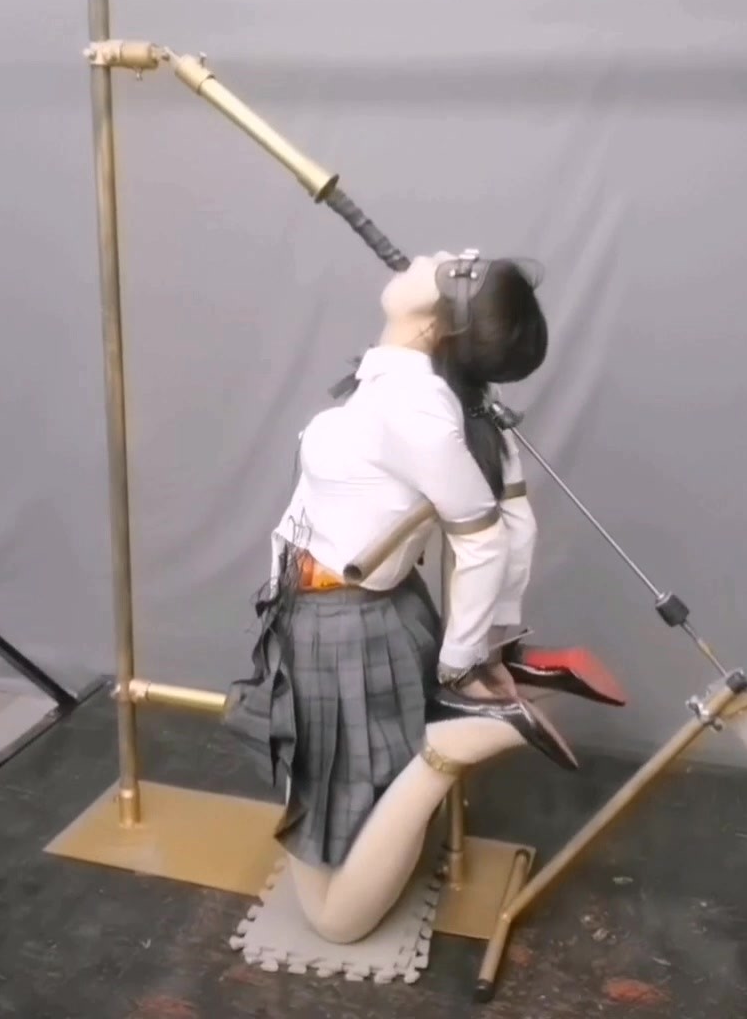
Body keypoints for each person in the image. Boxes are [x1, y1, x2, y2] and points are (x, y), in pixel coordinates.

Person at [223, 251, 619, 943]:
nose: (440, 256)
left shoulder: (415, 407)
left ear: (438, 323)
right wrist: (492, 644)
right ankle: (462, 722)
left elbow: (487, 539)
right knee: (337, 821)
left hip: (341, 634)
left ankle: (456, 743)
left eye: (458, 269)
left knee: (333, 920)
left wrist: (464, 662)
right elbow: (513, 524)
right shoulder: (415, 387)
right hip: (349, 620)